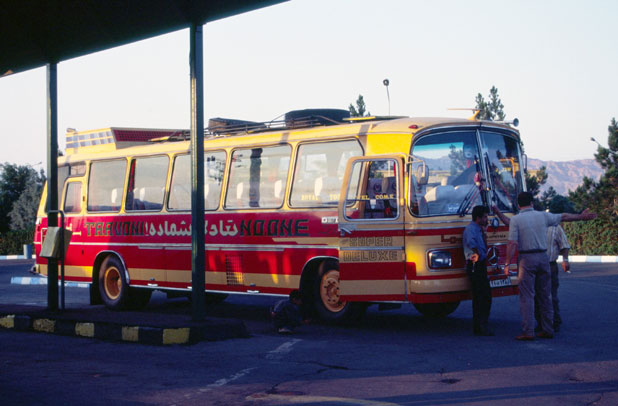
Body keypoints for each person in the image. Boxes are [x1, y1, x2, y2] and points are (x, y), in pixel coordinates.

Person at [504, 192, 596, 341]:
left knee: (527, 296)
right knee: (545, 295)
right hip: (543, 257)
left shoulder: (516, 220)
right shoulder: (542, 216)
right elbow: (564, 216)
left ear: (519, 205)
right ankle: (548, 329)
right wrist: (580, 216)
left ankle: (528, 331)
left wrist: (507, 263)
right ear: (532, 203)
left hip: (526, 259)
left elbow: (512, 243)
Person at [462, 205, 494, 336]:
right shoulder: (471, 229)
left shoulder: (479, 229)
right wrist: (478, 255)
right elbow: (471, 243)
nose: (487, 219)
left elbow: (483, 246)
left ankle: (481, 325)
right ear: (478, 218)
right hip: (475, 265)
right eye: (485, 217)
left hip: (481, 264)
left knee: (484, 296)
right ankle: (480, 327)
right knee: (481, 296)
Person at [534, 225, 570, 332]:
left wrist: (565, 260)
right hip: (536, 266)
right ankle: (541, 322)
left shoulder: (555, 227)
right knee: (537, 296)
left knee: (551, 295)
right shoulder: (531, 226)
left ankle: (554, 321)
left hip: (550, 265)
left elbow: (564, 245)